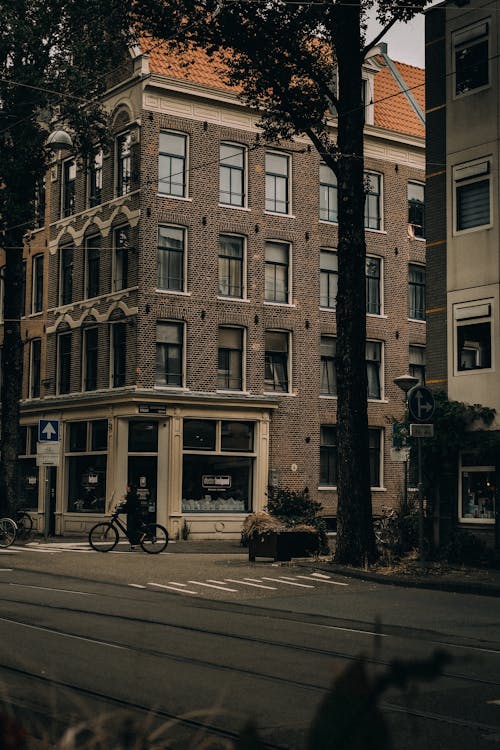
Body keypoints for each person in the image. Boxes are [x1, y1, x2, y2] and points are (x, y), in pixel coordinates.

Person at [122, 483, 142, 549]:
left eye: (127, 487)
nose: (126, 488)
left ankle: (136, 541)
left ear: (130, 488)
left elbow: (128, 505)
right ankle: (133, 542)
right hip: (133, 513)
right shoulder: (131, 495)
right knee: (131, 528)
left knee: (131, 528)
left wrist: (120, 509)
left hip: (133, 514)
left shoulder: (131, 495)